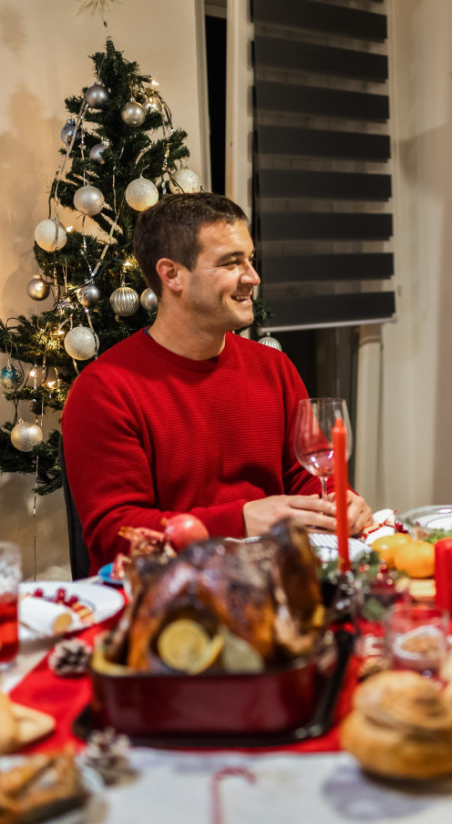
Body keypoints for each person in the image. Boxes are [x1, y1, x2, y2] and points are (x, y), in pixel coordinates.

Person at [62, 192, 373, 572]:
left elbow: (308, 476)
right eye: (231, 263)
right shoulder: (104, 390)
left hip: (277, 581)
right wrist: (240, 521)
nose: (253, 278)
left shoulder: (273, 367)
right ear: (171, 274)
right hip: (173, 602)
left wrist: (342, 499)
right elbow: (117, 535)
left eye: (250, 260)